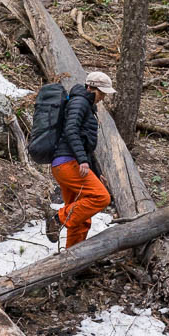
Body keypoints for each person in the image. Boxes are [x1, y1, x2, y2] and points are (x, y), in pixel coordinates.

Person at [44, 71, 115, 248]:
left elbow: (85, 144)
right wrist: (82, 160)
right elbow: (71, 130)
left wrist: (96, 172)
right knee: (101, 197)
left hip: (66, 164)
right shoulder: (79, 102)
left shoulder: (85, 104)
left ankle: (73, 257)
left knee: (80, 216)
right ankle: (57, 219)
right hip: (68, 163)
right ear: (90, 88)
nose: (103, 97)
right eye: (101, 92)